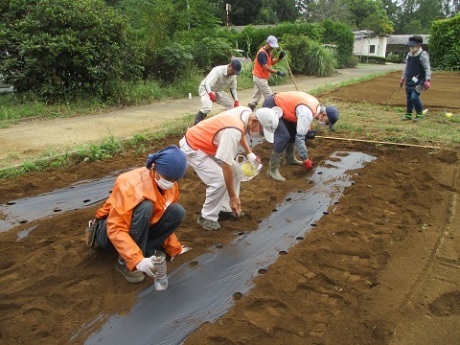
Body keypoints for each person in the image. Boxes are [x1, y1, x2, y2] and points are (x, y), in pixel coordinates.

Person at [86, 145, 187, 284]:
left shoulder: (170, 186)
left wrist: (174, 248)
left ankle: (145, 249)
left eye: (175, 179)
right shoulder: (129, 184)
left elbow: (160, 215)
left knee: (177, 211)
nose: (170, 183)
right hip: (108, 234)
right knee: (145, 207)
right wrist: (137, 261)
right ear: (154, 168)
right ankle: (126, 262)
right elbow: (115, 228)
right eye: (167, 178)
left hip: (138, 229)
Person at [179, 106, 279, 231]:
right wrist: (233, 197)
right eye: (262, 131)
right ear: (254, 121)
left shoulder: (246, 112)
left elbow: (241, 132)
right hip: (194, 147)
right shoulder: (233, 130)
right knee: (219, 179)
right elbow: (226, 165)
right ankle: (207, 217)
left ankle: (225, 209)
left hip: (210, 144)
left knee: (236, 170)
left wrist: (249, 153)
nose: (261, 135)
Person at [263, 91, 339, 182]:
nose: (325, 125)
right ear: (323, 115)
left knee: (293, 132)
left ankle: (289, 159)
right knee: (284, 136)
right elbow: (300, 139)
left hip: (284, 107)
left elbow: (302, 120)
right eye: (326, 122)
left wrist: (307, 129)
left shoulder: (315, 106)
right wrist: (305, 159)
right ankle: (272, 169)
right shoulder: (307, 113)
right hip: (273, 105)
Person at [194, 59, 243, 125]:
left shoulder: (233, 75)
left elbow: (233, 88)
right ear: (230, 66)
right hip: (206, 89)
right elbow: (207, 83)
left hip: (218, 91)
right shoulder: (218, 71)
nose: (233, 74)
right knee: (207, 107)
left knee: (232, 107)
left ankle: (225, 123)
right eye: (233, 71)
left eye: (235, 73)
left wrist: (236, 100)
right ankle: (197, 124)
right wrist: (210, 93)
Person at [247, 35, 286, 111]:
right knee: (269, 96)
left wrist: (279, 58)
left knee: (256, 97)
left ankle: (249, 110)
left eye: (273, 46)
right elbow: (266, 67)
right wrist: (278, 72)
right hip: (259, 77)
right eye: (271, 46)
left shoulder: (269, 52)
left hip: (261, 77)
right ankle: (271, 111)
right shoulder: (262, 53)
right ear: (267, 43)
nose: (272, 48)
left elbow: (271, 62)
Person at [399, 35, 431, 122]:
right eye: (410, 46)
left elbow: (427, 68)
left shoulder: (423, 55)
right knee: (409, 98)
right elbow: (406, 68)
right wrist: (402, 78)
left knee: (414, 97)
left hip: (420, 81)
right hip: (409, 80)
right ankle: (408, 114)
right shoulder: (409, 55)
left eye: (413, 46)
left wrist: (427, 80)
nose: (411, 47)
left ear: (418, 45)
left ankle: (419, 114)